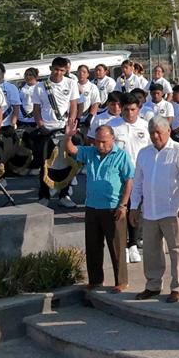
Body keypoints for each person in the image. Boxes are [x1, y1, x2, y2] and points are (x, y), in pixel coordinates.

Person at [63, 124, 132, 292]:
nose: (100, 145)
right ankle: (95, 280)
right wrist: (68, 137)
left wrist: (123, 205)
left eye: (104, 142)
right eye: (97, 142)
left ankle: (121, 281)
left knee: (117, 247)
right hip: (92, 207)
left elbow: (129, 180)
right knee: (93, 246)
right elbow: (72, 150)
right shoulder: (90, 152)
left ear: (112, 139)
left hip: (112, 207)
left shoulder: (121, 156)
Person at [129, 116, 179, 303]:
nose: (155, 136)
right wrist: (134, 206)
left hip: (172, 210)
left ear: (168, 131)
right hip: (149, 211)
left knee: (177, 250)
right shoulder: (144, 153)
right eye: (152, 132)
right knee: (151, 250)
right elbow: (138, 182)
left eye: (159, 132)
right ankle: (153, 285)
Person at [31, 57, 80, 207]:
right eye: (56, 69)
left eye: (62, 70)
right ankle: (44, 195)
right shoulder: (40, 86)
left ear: (66, 70)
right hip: (46, 129)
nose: (58, 73)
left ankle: (64, 195)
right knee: (45, 164)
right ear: (51, 69)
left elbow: (73, 106)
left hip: (63, 128)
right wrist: (40, 125)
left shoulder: (71, 83)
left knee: (66, 163)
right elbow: (36, 109)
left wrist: (70, 125)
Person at [109, 93, 151, 264]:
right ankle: (123, 245)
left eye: (133, 109)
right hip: (118, 177)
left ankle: (133, 243)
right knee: (121, 209)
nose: (129, 113)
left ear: (138, 109)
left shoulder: (146, 126)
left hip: (139, 175)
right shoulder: (112, 126)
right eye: (125, 109)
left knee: (136, 209)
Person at [75, 64, 102, 132]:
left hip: (86, 119)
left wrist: (90, 116)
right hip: (74, 119)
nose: (81, 74)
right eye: (79, 72)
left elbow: (95, 103)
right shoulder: (73, 85)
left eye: (84, 72)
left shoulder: (92, 87)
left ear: (88, 74)